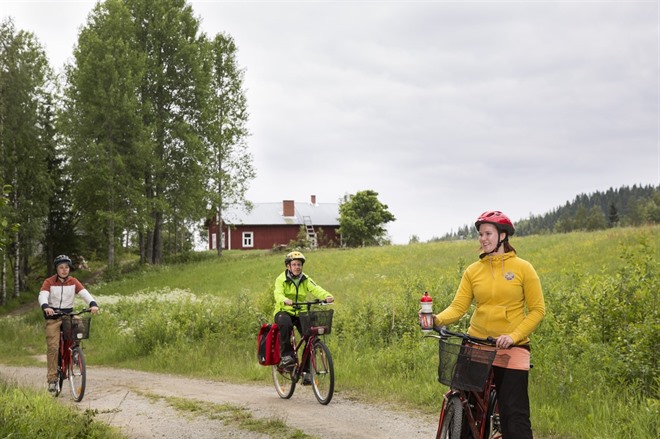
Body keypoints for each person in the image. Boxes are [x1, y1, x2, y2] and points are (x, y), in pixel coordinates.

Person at [432, 211, 545, 439]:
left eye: (488, 233)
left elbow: (537, 310)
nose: (483, 239)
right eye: (480, 234)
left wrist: (514, 336)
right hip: (477, 344)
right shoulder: (473, 271)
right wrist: (435, 319)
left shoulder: (523, 268)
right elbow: (458, 307)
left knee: (515, 416)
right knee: (467, 409)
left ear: (502, 236)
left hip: (511, 348)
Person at [38, 254, 99, 392]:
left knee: (79, 325)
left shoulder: (73, 281)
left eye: (66, 267)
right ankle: (52, 379)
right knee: (53, 347)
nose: (64, 270)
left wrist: (93, 303)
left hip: (68, 314)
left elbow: (84, 293)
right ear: (56, 269)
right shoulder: (49, 282)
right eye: (61, 267)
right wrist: (46, 306)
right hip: (53, 317)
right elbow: (43, 295)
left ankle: (75, 352)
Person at [273, 251, 334, 373]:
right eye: (294, 264)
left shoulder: (305, 279)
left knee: (312, 337)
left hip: (301, 311)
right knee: (286, 324)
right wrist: (284, 300)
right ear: (288, 266)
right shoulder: (281, 279)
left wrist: (327, 295)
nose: (297, 267)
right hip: (284, 310)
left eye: (299, 264)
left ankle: (306, 371)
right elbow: (277, 293)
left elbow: (316, 288)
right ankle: (286, 356)